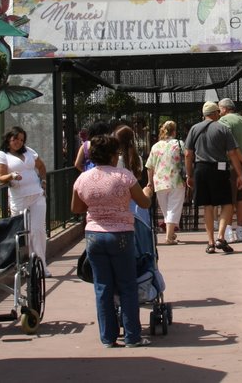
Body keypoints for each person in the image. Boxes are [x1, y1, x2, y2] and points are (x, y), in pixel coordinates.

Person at [71, 134, 154, 348]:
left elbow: (76, 208)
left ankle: (107, 337)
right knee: (127, 285)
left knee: (102, 286)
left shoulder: (83, 178)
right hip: (122, 234)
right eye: (116, 153)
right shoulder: (124, 176)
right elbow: (143, 203)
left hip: (94, 235)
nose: (118, 157)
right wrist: (146, 192)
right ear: (111, 155)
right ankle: (132, 336)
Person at [184, 101, 242, 254]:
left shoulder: (194, 129)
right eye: (218, 112)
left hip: (200, 169)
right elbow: (232, 153)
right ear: (215, 113)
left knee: (208, 206)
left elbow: (187, 154)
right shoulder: (223, 128)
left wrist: (189, 174)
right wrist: (240, 174)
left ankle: (210, 242)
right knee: (227, 204)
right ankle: (220, 237)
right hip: (219, 169)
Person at [0, 126, 51, 278]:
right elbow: (0, 177)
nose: (18, 142)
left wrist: (43, 181)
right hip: (19, 197)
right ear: (8, 139)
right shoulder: (1, 155)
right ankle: (24, 265)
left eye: (21, 139)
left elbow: (41, 166)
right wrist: (11, 176)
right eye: (15, 139)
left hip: (37, 194)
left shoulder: (29, 151)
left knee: (38, 230)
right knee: (23, 232)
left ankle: (41, 266)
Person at [217, 98, 242, 243]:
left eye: (220, 109)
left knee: (228, 200)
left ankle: (227, 232)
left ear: (225, 109)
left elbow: (227, 143)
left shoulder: (224, 121)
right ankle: (240, 231)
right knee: (241, 199)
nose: (219, 112)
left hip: (231, 165)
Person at [145, 120, 186, 244]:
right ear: (174, 131)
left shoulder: (156, 146)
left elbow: (149, 166)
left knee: (166, 209)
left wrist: (149, 182)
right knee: (173, 208)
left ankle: (171, 233)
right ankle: (169, 237)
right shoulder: (179, 144)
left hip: (160, 182)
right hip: (176, 180)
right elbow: (187, 157)